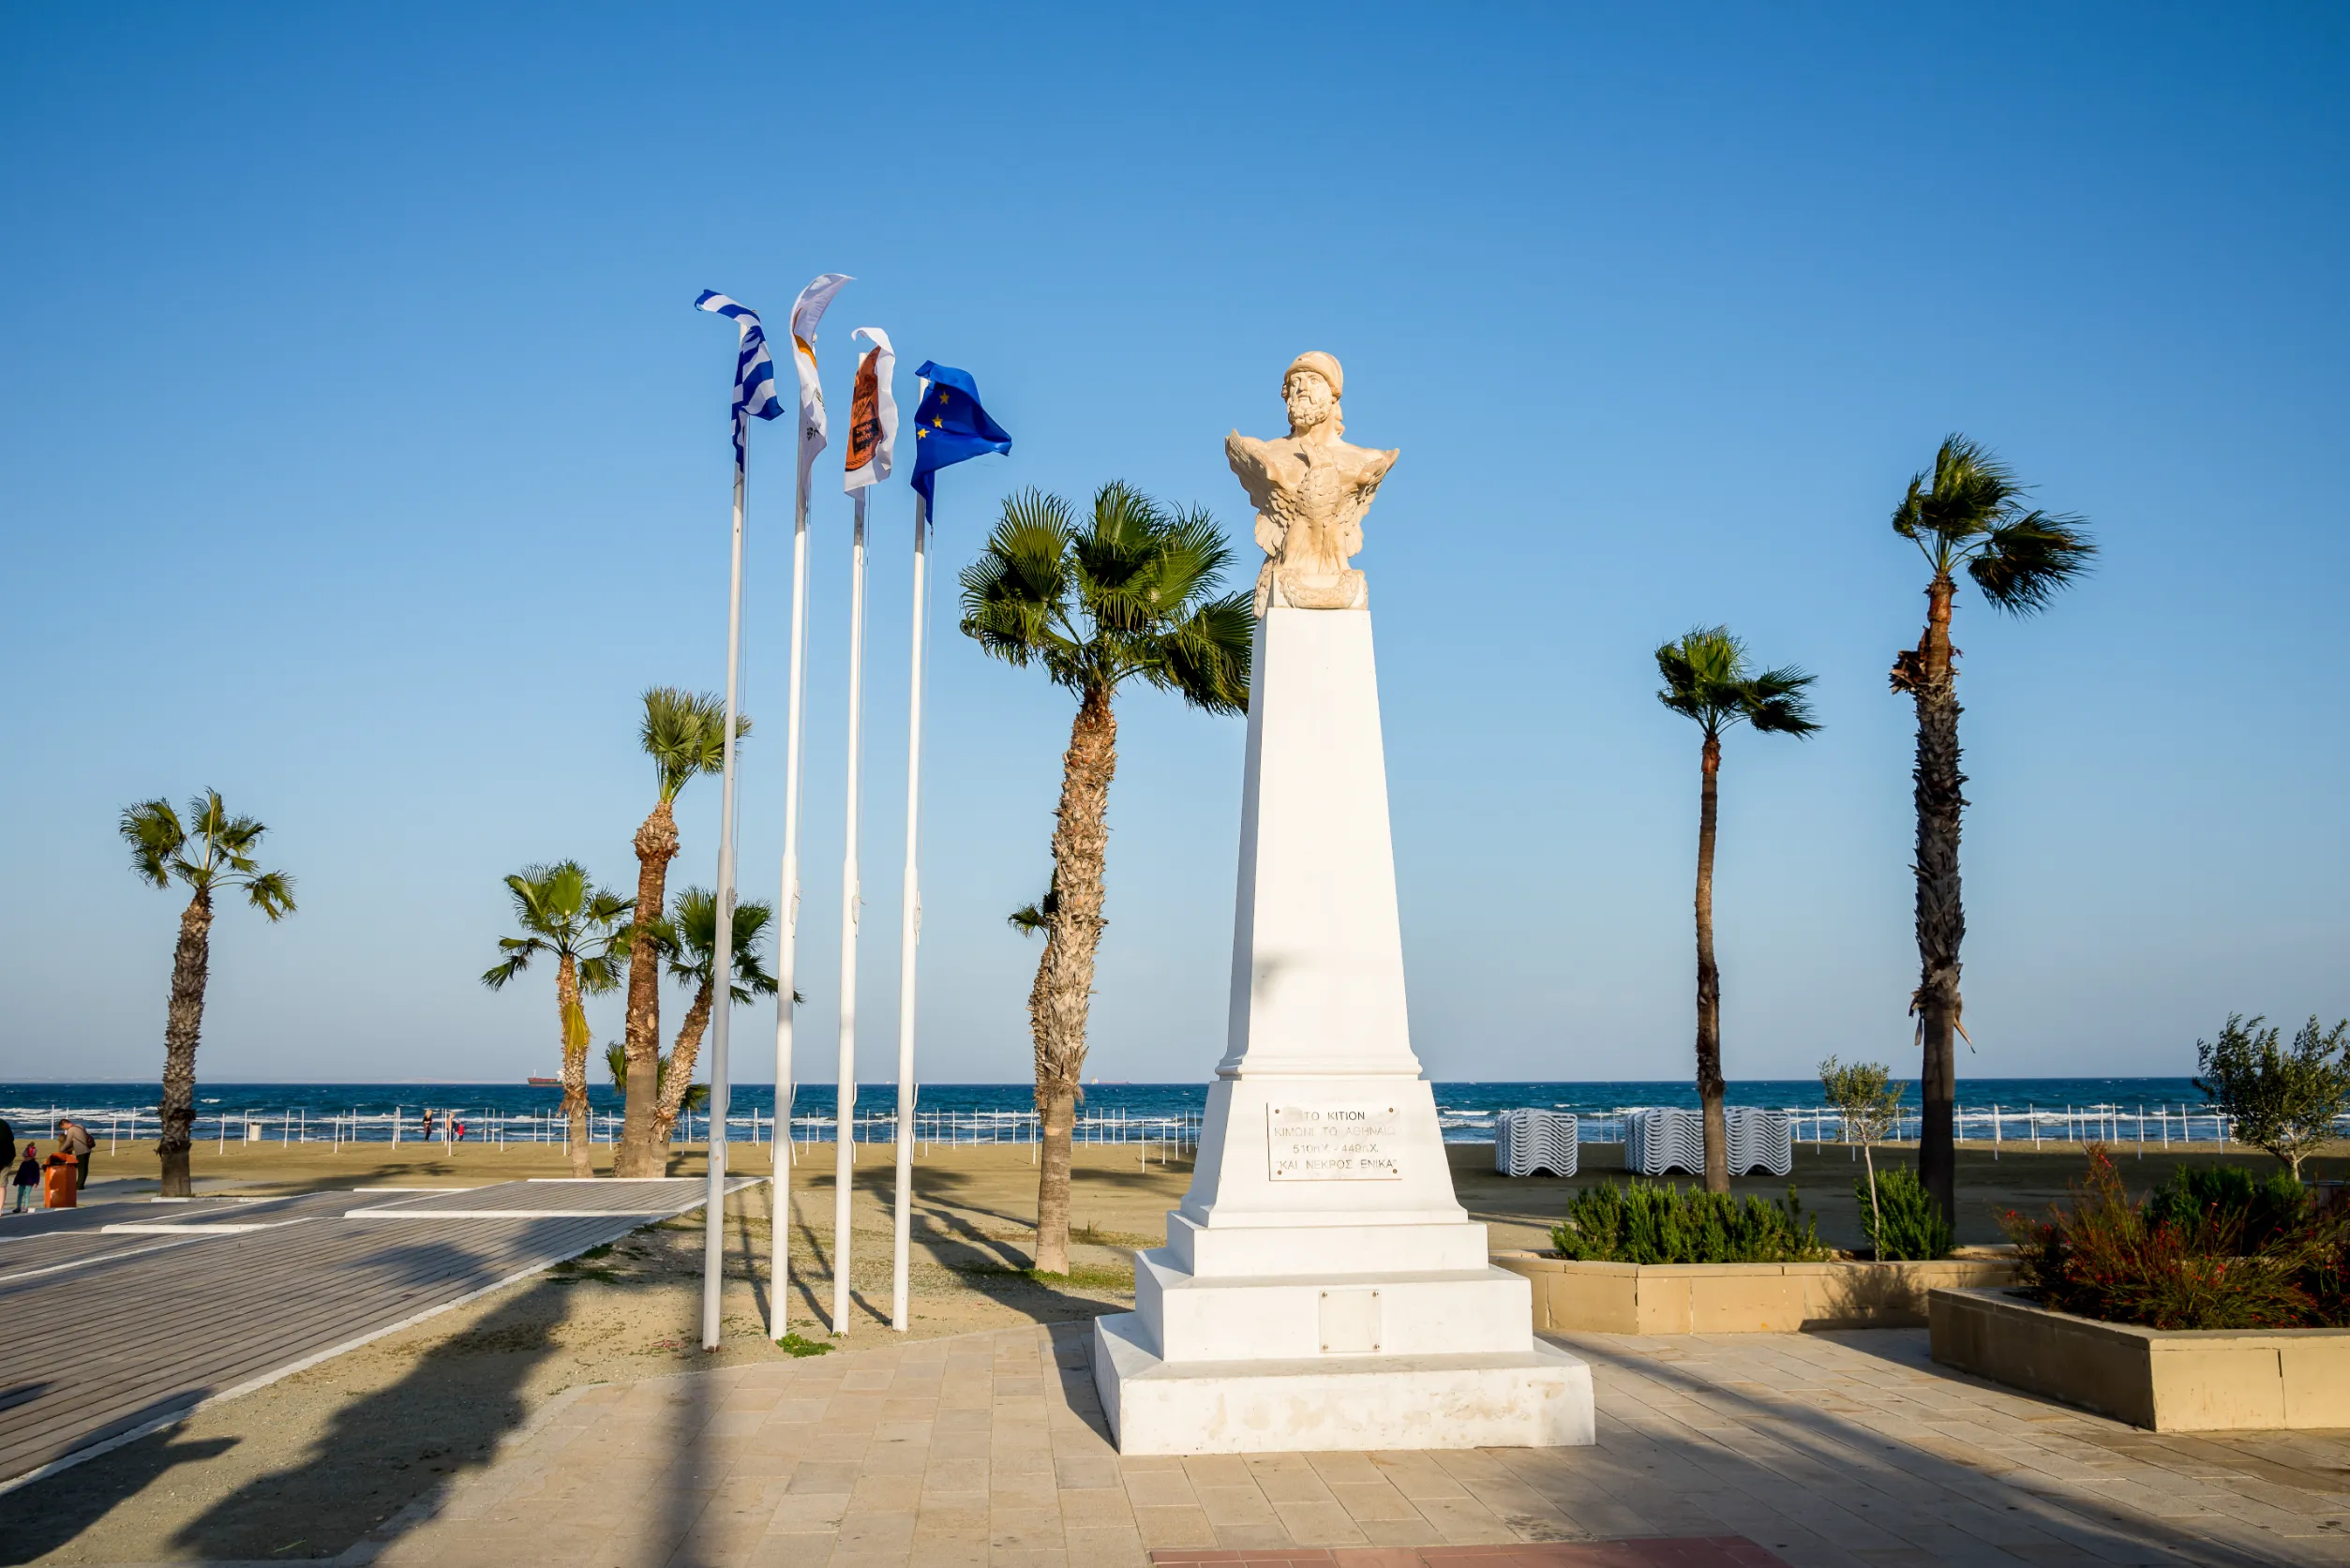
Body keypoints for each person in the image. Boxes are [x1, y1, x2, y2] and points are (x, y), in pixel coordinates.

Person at [57, 1118, 94, 1195]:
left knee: (81, 1168)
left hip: (81, 1150)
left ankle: (79, 1185)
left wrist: (61, 1149)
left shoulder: (71, 1130)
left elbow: (68, 1142)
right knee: (84, 1167)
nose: (64, 1129)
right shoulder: (80, 1126)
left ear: (65, 1124)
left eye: (63, 1127)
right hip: (87, 1149)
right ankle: (80, 1183)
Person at [10, 1144, 37, 1214]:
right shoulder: (23, 1164)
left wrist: (36, 1182)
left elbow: (37, 1174)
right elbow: (19, 1173)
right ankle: (18, 1207)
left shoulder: (35, 1164)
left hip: (29, 1182)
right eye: (24, 1156)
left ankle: (26, 1207)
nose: (24, 1158)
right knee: (20, 1194)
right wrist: (15, 1181)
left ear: (31, 1157)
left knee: (27, 1195)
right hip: (21, 1182)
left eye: (26, 1157)